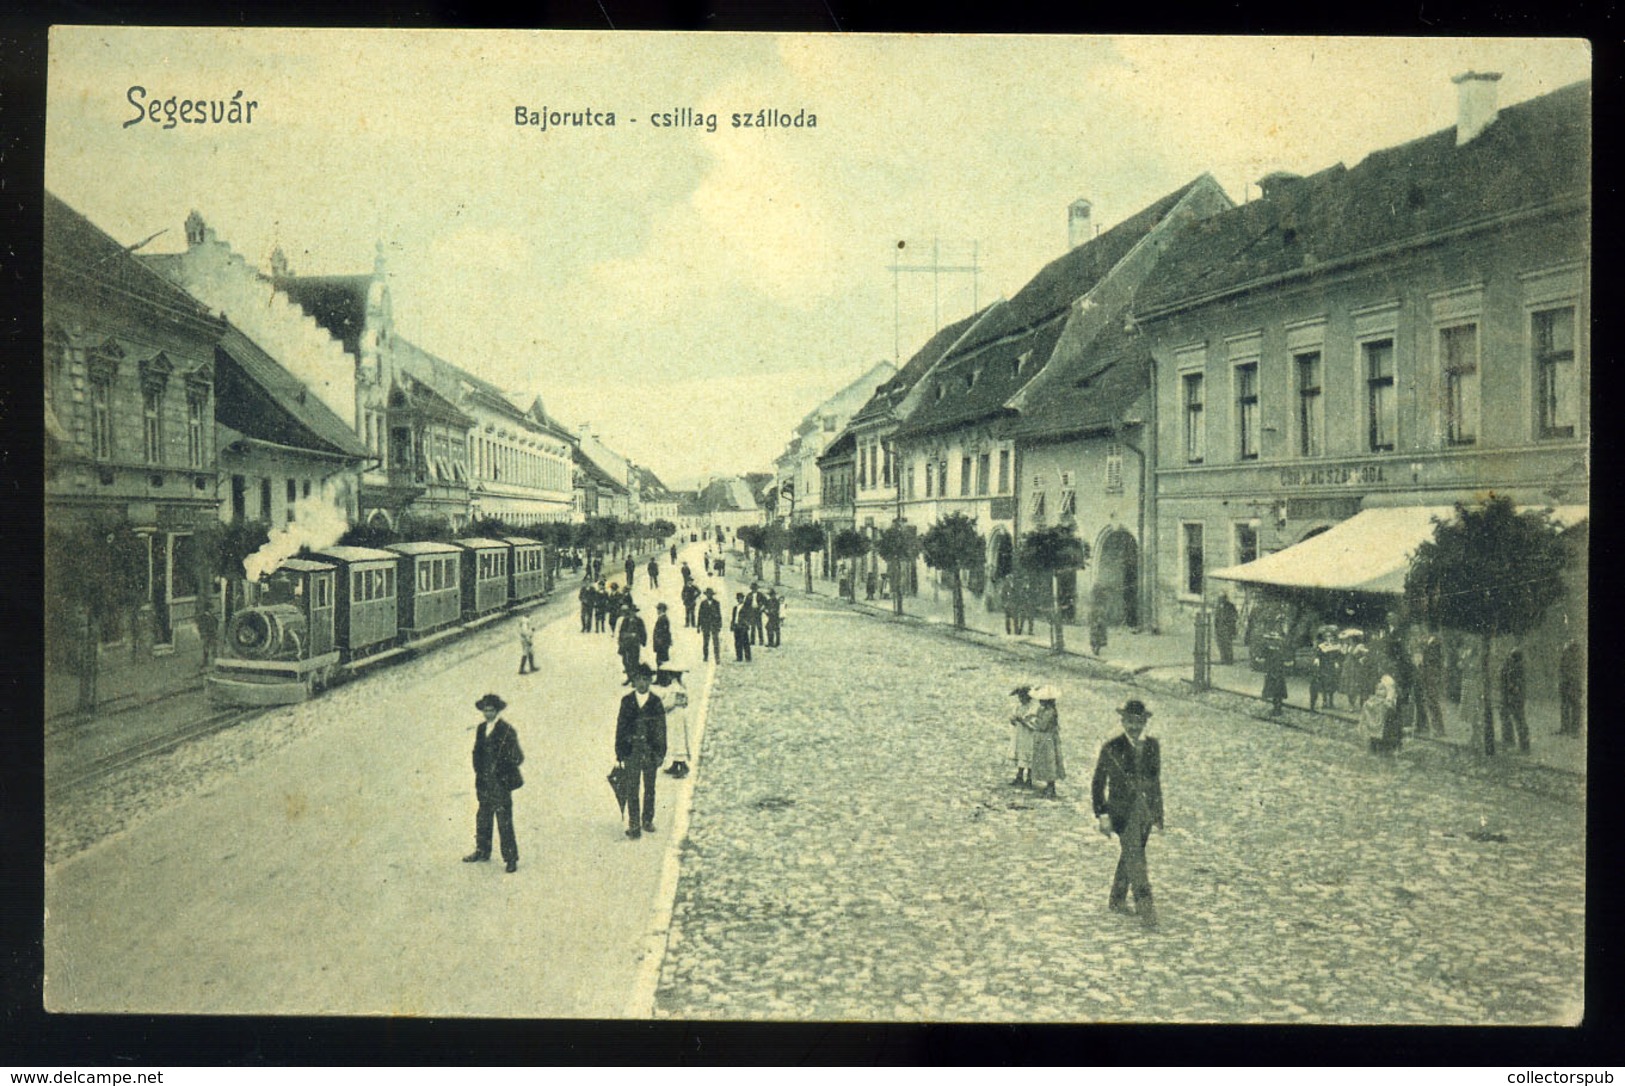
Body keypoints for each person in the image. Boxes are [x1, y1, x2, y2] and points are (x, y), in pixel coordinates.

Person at [1091, 699, 1165, 928]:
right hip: (1121, 812)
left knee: (1132, 853)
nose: (1134, 727)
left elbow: (1155, 781)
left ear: (1144, 721)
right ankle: (1146, 909)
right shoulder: (1112, 748)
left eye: (1138, 722)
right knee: (1136, 858)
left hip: (1145, 812)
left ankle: (1117, 898)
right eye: (1129, 722)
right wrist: (1102, 814)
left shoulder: (1153, 746)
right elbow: (1098, 783)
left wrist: (1158, 814)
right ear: (1123, 721)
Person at [464, 693, 524, 873]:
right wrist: (479, 771)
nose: (487, 713)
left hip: (500, 784)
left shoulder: (506, 730)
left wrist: (501, 771)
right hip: (484, 782)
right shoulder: (481, 728)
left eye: (491, 710)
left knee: (504, 821)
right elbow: (476, 752)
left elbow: (517, 757)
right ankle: (482, 850)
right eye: (485, 710)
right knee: (483, 816)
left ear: (497, 711)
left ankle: (510, 858)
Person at [615, 663, 667, 839]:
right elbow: (620, 727)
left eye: (645, 680)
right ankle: (634, 823)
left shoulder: (656, 702)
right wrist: (620, 751)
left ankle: (647, 819)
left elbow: (661, 728)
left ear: (650, 681)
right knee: (632, 787)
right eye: (638, 679)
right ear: (634, 681)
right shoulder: (627, 701)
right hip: (632, 751)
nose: (642, 683)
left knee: (650, 787)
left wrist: (661, 752)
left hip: (650, 750)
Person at [656, 658, 692, 779]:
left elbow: (668, 703)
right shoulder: (681, 687)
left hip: (675, 716)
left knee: (677, 739)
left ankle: (681, 765)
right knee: (678, 737)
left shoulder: (674, 688)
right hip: (679, 715)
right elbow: (686, 702)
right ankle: (676, 763)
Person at [1028, 686, 1065, 798]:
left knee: (1050, 762)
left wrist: (1032, 721)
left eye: (1043, 700)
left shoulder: (1051, 712)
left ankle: (1051, 787)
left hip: (1048, 739)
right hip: (1042, 738)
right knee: (1043, 762)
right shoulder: (1042, 710)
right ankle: (1048, 786)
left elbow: (1043, 726)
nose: (1040, 701)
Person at [1500, 646, 1529, 753]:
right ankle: (1513, 744)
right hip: (1510, 698)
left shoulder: (1517, 668)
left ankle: (1523, 746)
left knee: (1518, 720)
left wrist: (1512, 687)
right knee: (1510, 720)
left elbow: (1515, 685)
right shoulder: (1511, 666)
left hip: (1513, 698)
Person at [1008, 684, 1037, 788]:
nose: (1021, 699)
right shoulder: (1018, 707)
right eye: (1020, 697)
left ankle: (1029, 779)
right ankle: (1019, 776)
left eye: (1023, 697)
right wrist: (1013, 719)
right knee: (1020, 754)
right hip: (1019, 734)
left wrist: (1023, 721)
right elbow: (1013, 720)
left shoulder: (1033, 708)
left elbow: (1033, 724)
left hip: (1029, 736)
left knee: (1029, 755)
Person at [1418, 632, 1447, 735]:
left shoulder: (1436, 642)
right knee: (1429, 701)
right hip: (1427, 674)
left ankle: (1439, 729)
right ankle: (1435, 727)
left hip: (1432, 675)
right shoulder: (1428, 641)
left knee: (1433, 701)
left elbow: (1436, 659)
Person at [1558, 638, 1584, 737]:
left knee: (1575, 705)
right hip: (1566, 682)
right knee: (1565, 705)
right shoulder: (1566, 653)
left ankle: (1575, 729)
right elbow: (1562, 667)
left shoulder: (1576, 653)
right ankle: (1565, 728)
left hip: (1573, 682)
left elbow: (1576, 669)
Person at [617, 602, 647, 681]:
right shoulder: (625, 620)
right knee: (625, 661)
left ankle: (635, 679)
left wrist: (643, 641)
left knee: (634, 661)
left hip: (635, 644)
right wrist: (621, 641)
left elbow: (643, 631)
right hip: (626, 644)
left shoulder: (639, 621)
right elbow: (621, 631)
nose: (632, 613)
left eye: (634, 612)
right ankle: (629, 677)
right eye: (631, 612)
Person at [1261, 635, 1289, 716]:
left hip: (1274, 672)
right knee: (1277, 690)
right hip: (1277, 672)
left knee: (1275, 690)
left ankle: (1277, 708)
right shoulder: (1281, 646)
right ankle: (1278, 707)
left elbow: (1264, 658)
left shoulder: (1269, 646)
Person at [697, 587, 723, 663]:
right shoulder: (703, 603)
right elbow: (700, 615)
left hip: (714, 625)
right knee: (705, 642)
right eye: (708, 594)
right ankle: (705, 656)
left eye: (710, 594)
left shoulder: (716, 603)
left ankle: (717, 658)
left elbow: (719, 615)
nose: (709, 595)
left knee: (716, 642)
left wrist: (719, 625)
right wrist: (698, 626)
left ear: (712, 595)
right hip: (705, 625)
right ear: (706, 595)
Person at [1213, 592, 1239, 665]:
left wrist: (1229, 623)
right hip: (1220, 629)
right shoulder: (1218, 606)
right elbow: (1216, 617)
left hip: (1227, 628)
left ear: (1225, 598)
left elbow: (1235, 616)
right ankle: (1223, 659)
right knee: (1221, 644)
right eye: (1219, 598)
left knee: (1228, 645)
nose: (1220, 600)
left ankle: (1229, 660)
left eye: (1221, 598)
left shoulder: (1230, 606)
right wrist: (1216, 627)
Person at [730, 592, 753, 662]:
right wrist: (732, 625)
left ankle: (748, 657)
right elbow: (733, 617)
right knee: (737, 642)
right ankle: (739, 657)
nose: (740, 600)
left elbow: (749, 616)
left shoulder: (747, 607)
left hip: (743, 626)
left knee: (745, 642)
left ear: (743, 599)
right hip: (736, 626)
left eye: (741, 598)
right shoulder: (735, 607)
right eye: (738, 598)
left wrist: (746, 624)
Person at [195, 605, 218, 672]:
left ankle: (210, 662)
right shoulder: (207, 616)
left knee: (209, 648)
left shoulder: (208, 616)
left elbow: (200, 626)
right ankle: (209, 662)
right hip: (209, 634)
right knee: (209, 648)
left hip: (210, 634)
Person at [1088, 588, 1109, 657]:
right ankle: (1096, 647)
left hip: (1096, 619)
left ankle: (1095, 647)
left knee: (1095, 633)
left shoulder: (1094, 604)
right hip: (1099, 619)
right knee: (1099, 634)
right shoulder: (1101, 604)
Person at [652, 603, 673, 668]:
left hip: (662, 644)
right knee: (660, 660)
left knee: (661, 661)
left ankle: (661, 676)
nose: (657, 611)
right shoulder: (662, 618)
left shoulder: (663, 619)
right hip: (662, 643)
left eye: (658, 609)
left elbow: (663, 632)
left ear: (662, 610)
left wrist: (659, 642)